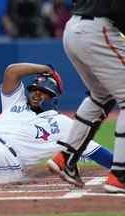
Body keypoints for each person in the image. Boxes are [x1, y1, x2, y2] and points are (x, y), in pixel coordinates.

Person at [46, 0, 125, 193]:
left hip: (74, 28)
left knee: (100, 96)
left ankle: (66, 158)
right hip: (98, 29)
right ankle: (120, 176)